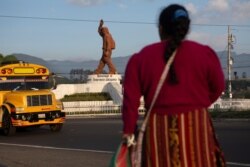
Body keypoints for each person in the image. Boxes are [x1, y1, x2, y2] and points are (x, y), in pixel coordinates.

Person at [122, 4, 226, 167]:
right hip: (196, 128)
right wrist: (198, 104)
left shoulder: (140, 59)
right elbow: (218, 86)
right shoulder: (205, 54)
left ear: (161, 29)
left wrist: (129, 132)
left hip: (158, 134)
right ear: (185, 27)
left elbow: (130, 102)